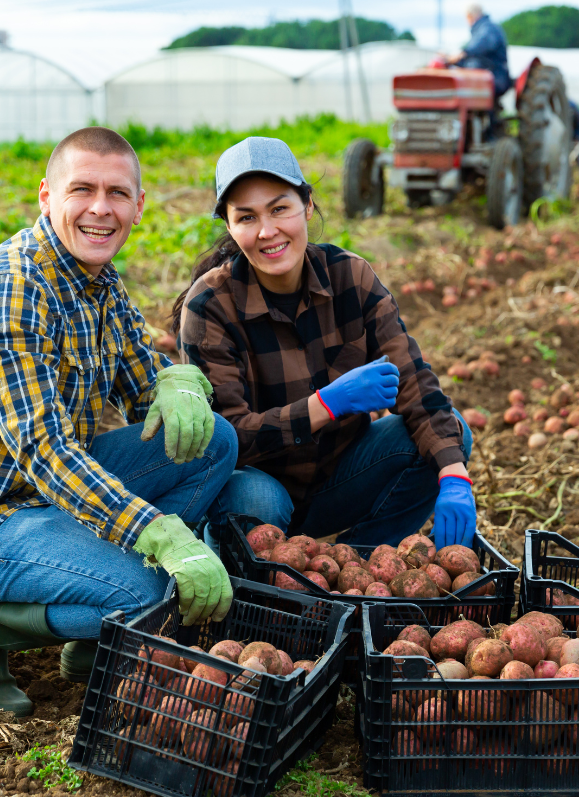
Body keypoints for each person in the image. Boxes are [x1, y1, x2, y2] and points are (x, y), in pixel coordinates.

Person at [0, 127, 238, 716]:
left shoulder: (96, 281)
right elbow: (48, 452)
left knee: (210, 442)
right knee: (149, 589)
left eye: (117, 194)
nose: (101, 209)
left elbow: (138, 377)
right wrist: (164, 536)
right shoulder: (10, 291)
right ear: (47, 197)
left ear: (139, 205)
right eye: (83, 190)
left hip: (39, 498)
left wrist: (176, 381)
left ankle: (95, 624)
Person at [175, 137, 476, 550]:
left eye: (280, 209)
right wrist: (324, 406)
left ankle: (362, 561)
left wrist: (454, 474)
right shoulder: (210, 306)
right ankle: (260, 579)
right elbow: (225, 440)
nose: (267, 231)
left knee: (450, 435)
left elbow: (412, 379)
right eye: (246, 217)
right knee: (256, 497)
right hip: (257, 489)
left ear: (308, 205)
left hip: (340, 478)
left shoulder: (349, 277)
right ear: (228, 226)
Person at [444, 3, 510, 99]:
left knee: (471, 71)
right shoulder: (481, 29)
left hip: (496, 77)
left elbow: (482, 44)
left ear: (469, 16)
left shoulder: (488, 28)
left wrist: (462, 53)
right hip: (492, 74)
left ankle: (486, 113)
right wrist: (450, 60)